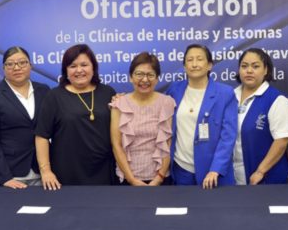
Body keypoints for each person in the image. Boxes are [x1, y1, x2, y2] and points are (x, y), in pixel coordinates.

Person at [35, 44, 117, 189]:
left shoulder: (108, 92)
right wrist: (46, 171)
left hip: (104, 172)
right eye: (72, 66)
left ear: (93, 68)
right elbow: (41, 136)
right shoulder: (54, 96)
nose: (79, 70)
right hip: (66, 174)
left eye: (84, 65)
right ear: (66, 70)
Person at [166, 44, 237, 189]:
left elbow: (228, 136)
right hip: (181, 169)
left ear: (209, 65)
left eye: (199, 59)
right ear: (184, 66)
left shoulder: (225, 93)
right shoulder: (174, 90)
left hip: (212, 172)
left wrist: (215, 169)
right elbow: (155, 106)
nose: (194, 64)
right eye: (189, 60)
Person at [0, 46, 50, 189]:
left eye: (22, 63)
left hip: (41, 171)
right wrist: (4, 177)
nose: (16, 67)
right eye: (10, 64)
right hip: (9, 173)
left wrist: (47, 169)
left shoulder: (44, 90)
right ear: (4, 68)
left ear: (31, 65)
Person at [110, 52, 175, 186]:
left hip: (160, 178)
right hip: (127, 178)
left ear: (157, 79)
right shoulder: (119, 104)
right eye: (139, 74)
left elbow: (168, 144)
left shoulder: (167, 103)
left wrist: (159, 178)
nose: (145, 80)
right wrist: (132, 179)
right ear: (130, 77)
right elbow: (116, 145)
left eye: (150, 75)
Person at [233, 48, 288, 185]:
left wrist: (260, 171)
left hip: (265, 178)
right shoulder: (230, 97)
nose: (249, 71)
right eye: (244, 66)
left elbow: (282, 141)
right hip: (234, 177)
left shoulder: (277, 100)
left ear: (266, 70)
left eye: (255, 66)